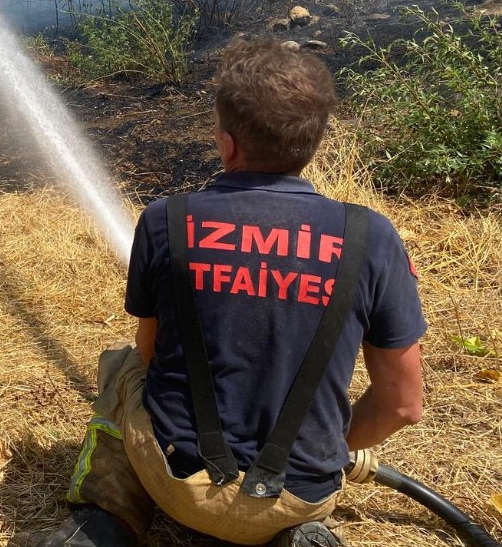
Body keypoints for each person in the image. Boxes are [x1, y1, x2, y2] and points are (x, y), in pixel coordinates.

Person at [42, 39, 425, 547]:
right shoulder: (371, 237)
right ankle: (300, 537)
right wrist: (329, 448)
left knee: (123, 365)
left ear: (228, 144)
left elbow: (150, 353)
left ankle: (106, 517)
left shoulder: (166, 220)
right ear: (312, 143)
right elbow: (403, 405)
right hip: (298, 495)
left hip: (177, 483)